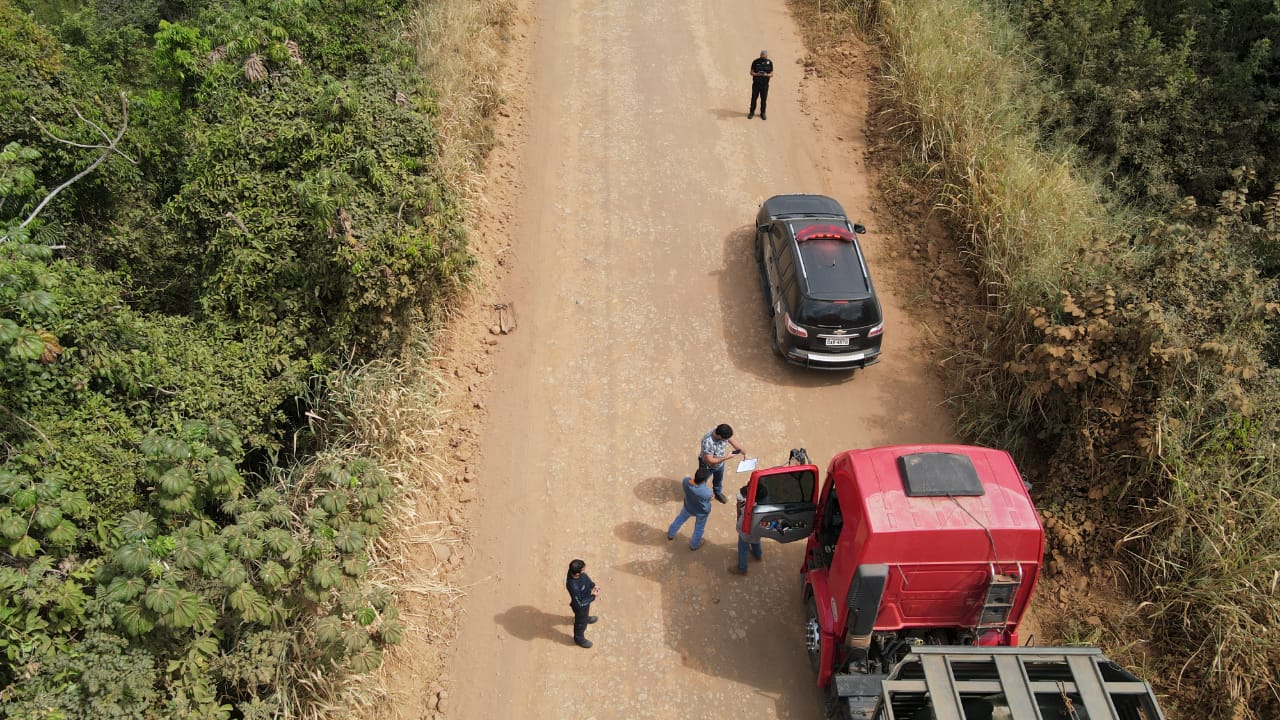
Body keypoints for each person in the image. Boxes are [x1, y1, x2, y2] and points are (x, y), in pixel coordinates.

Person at [698, 423, 746, 504]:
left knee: (718, 480)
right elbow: (709, 460)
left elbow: (733, 441)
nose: (727, 440)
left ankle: (717, 493)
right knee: (701, 482)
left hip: (719, 464)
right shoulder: (708, 442)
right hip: (707, 466)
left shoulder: (722, 431)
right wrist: (726, 457)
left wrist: (744, 453)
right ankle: (703, 495)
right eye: (725, 439)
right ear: (720, 436)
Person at [667, 468, 714, 550]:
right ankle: (694, 545)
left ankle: (670, 534)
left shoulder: (686, 481)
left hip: (688, 506)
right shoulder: (706, 492)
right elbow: (711, 497)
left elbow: (689, 480)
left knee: (679, 519)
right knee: (699, 528)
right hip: (701, 512)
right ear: (704, 480)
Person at [729, 484, 765, 576]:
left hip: (746, 531)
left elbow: (739, 515)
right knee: (756, 542)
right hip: (757, 530)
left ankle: (742, 568)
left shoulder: (747, 507)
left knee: (743, 548)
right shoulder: (763, 506)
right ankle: (758, 555)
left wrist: (738, 516)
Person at [565, 558, 600, 648]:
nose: (584, 571)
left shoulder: (574, 571)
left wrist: (593, 585)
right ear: (577, 574)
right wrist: (593, 596)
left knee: (585, 614)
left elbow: (585, 578)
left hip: (585, 600)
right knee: (581, 623)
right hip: (580, 606)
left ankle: (586, 618)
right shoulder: (573, 586)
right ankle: (579, 638)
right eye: (583, 570)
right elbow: (580, 603)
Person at [748, 50, 774, 120]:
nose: (763, 56)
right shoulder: (755, 62)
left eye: (764, 56)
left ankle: (763, 113)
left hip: (765, 85)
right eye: (762, 55)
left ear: (766, 56)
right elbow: (751, 72)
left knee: (763, 99)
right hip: (756, 84)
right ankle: (751, 112)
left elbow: (772, 74)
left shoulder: (769, 63)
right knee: (754, 98)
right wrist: (757, 74)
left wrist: (766, 75)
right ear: (760, 55)